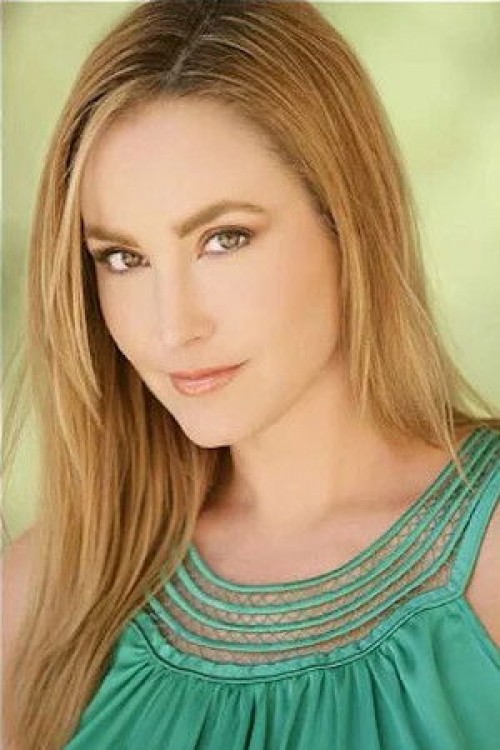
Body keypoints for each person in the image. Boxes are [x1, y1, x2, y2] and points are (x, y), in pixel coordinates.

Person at [2, 1, 499, 748]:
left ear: (348, 222)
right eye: (124, 258)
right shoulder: (42, 598)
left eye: (224, 239)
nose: (173, 328)